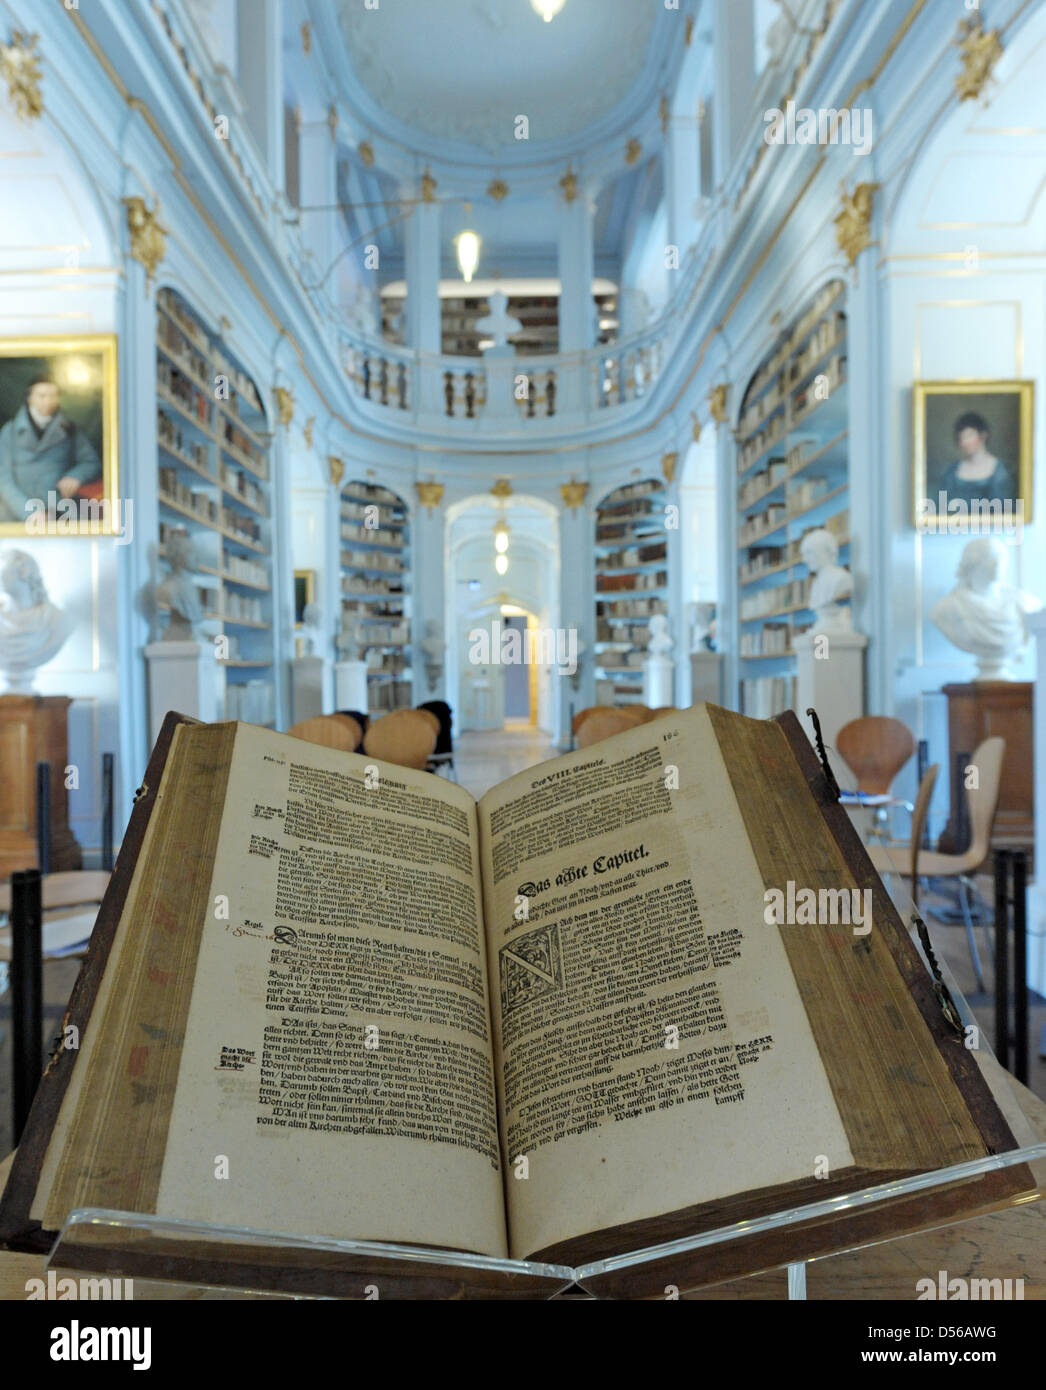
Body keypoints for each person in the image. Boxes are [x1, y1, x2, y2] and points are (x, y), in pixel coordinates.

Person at [0, 376, 103, 522]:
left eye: (53, 396)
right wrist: (28, 512)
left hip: (60, 506)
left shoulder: (70, 430)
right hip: (17, 511)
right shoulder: (9, 431)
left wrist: (76, 476)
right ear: (30, 398)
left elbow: (92, 462)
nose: (48, 401)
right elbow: (3, 478)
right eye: (42, 396)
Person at [938, 411, 1017, 509]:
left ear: (983, 436)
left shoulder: (1001, 471)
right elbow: (940, 508)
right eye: (961, 438)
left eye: (969, 436)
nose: (964, 442)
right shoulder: (952, 471)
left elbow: (1008, 512)